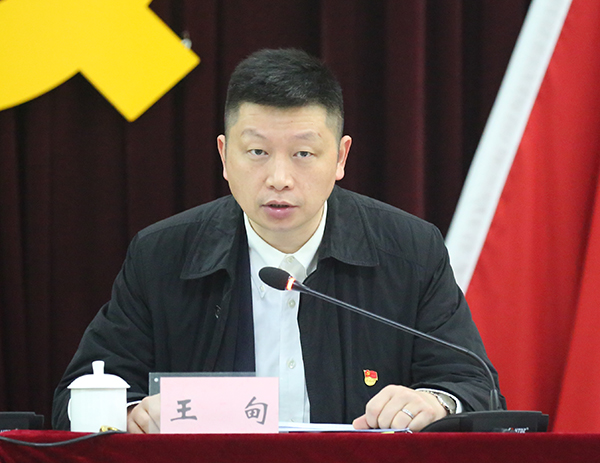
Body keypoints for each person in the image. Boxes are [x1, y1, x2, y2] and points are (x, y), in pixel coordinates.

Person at [52, 48, 504, 433]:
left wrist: (433, 402)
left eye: (303, 153)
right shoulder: (162, 256)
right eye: (257, 152)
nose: (279, 178)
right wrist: (129, 413)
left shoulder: (409, 250)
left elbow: (475, 386)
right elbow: (76, 396)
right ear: (224, 156)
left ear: (340, 157)